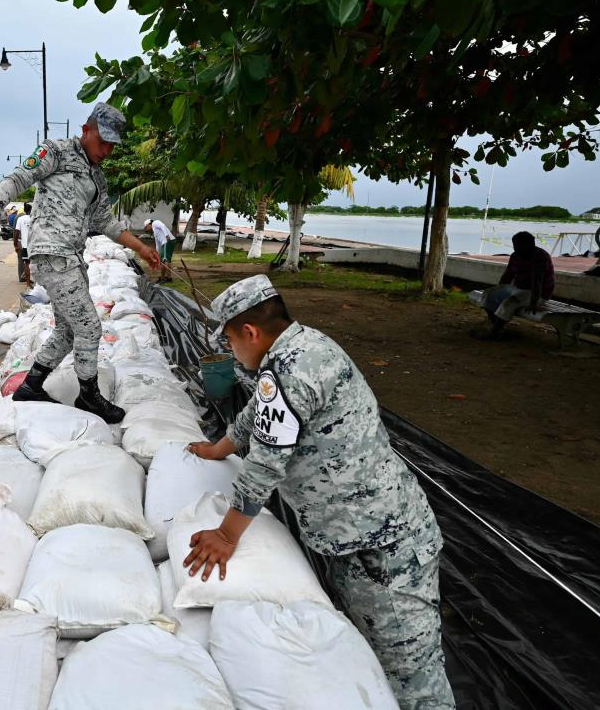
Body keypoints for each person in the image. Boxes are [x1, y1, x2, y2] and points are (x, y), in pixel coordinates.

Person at [183, 275, 454, 708]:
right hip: (353, 539)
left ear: (250, 332)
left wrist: (228, 535)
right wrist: (218, 448)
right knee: (366, 661)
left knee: (412, 676)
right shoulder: (299, 347)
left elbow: (266, 462)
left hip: (384, 546)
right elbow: (257, 413)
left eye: (231, 342)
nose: (232, 352)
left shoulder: (290, 369)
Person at [0, 102, 161, 424]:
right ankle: (88, 396)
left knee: (70, 332)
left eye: (112, 146)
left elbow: (107, 222)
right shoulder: (55, 152)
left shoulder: (97, 179)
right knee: (89, 326)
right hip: (52, 253)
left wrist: (141, 248)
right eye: (103, 142)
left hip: (72, 257)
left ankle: (31, 385)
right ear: (86, 130)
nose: (107, 151)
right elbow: (20, 178)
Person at [477, 231, 555, 339]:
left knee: (510, 302)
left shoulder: (540, 257)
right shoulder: (515, 256)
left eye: (519, 245)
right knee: (488, 294)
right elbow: (507, 275)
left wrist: (534, 303)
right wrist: (498, 289)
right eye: (514, 245)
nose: (515, 248)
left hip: (538, 293)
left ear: (530, 244)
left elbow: (537, 282)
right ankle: (498, 327)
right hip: (518, 288)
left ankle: (494, 333)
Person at [144, 217, 176, 281]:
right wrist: (157, 253)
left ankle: (168, 278)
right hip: (166, 243)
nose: (147, 230)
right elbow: (157, 244)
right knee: (163, 260)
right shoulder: (155, 232)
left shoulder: (155, 223)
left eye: (146, 228)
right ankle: (163, 277)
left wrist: (166, 235)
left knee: (165, 259)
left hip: (167, 241)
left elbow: (162, 226)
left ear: (148, 224)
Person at [14, 205, 35, 286]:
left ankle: (28, 283)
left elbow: (16, 232)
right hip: (34, 245)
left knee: (27, 263)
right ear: (31, 209)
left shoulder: (20, 219)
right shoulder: (33, 218)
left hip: (25, 245)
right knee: (35, 264)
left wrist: (15, 244)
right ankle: (36, 283)